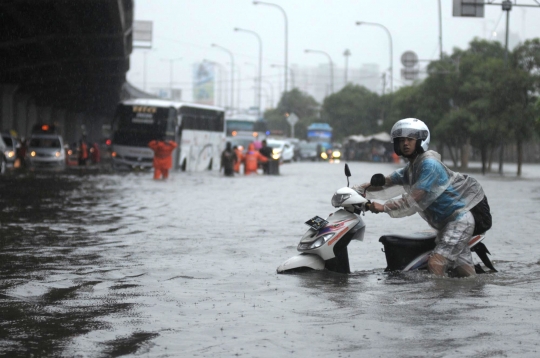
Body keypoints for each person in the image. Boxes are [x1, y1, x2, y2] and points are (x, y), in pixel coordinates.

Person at [353, 118, 491, 278]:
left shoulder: (429, 165)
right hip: (446, 225)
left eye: (410, 140)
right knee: (465, 275)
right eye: (402, 140)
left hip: (459, 221)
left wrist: (383, 207)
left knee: (435, 263)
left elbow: (414, 198)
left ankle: (436, 301)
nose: (405, 143)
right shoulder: (411, 169)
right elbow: (386, 181)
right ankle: (474, 297)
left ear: (420, 141)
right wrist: (355, 190)